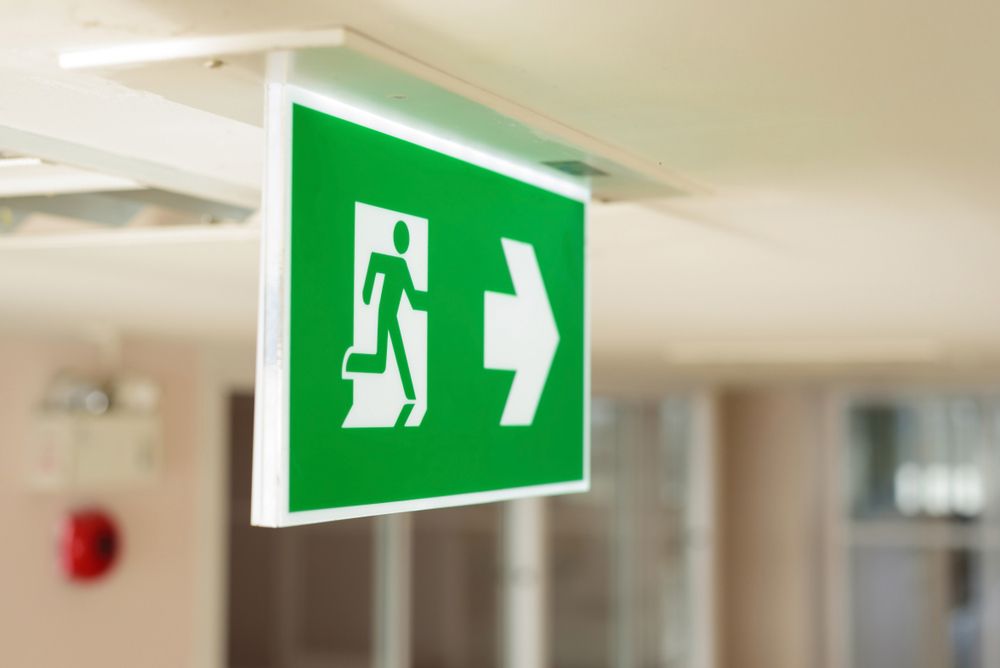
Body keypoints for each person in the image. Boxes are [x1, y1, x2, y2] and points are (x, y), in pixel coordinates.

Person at [345, 220, 427, 402]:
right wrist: (367, 293)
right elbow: (374, 262)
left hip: (391, 314)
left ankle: (410, 394)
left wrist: (432, 300)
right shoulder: (396, 264)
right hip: (385, 313)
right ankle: (352, 364)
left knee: (384, 358)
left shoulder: (401, 266)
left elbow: (413, 299)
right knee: (382, 360)